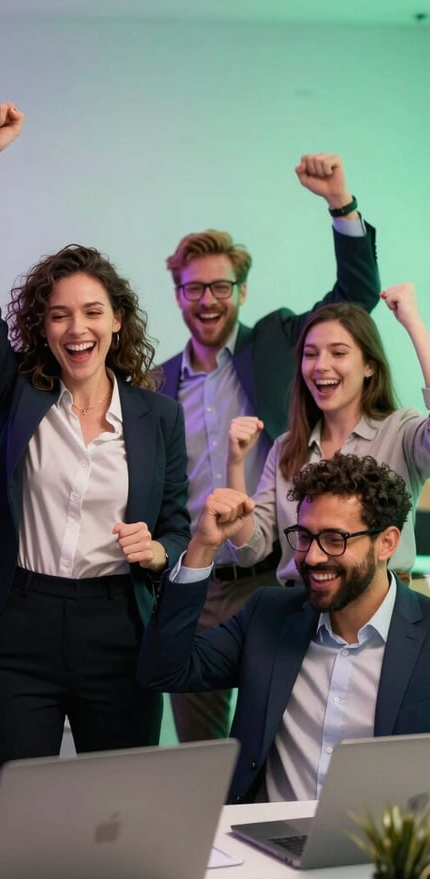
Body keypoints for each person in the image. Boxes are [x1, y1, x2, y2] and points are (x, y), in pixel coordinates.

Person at [0, 103, 190, 781]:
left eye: (91, 312)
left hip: (120, 627)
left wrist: (158, 550)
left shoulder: (159, 417)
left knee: (119, 809)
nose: (76, 328)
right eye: (58, 315)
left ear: (117, 321)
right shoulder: (18, 394)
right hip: (20, 622)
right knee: (19, 808)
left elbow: (176, 526)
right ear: (43, 327)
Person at [158, 154, 381, 742]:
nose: (208, 300)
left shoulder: (281, 342)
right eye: (195, 287)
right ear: (178, 294)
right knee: (202, 749)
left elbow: (356, 296)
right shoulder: (155, 385)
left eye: (221, 287)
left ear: (242, 290)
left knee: (282, 737)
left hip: (277, 578)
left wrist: (340, 203)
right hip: (199, 579)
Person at [138, 453, 430, 804]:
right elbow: (163, 670)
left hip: (381, 836)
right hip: (265, 834)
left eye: (334, 539)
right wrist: (202, 548)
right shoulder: (269, 616)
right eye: (304, 537)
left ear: (387, 543)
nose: (312, 557)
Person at [227, 284, 430, 587]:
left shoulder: (401, 430)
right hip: (302, 604)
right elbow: (249, 550)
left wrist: (412, 321)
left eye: (338, 353)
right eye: (310, 354)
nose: (321, 365)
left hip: (382, 603)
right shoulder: (285, 447)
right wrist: (235, 463)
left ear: (370, 366)